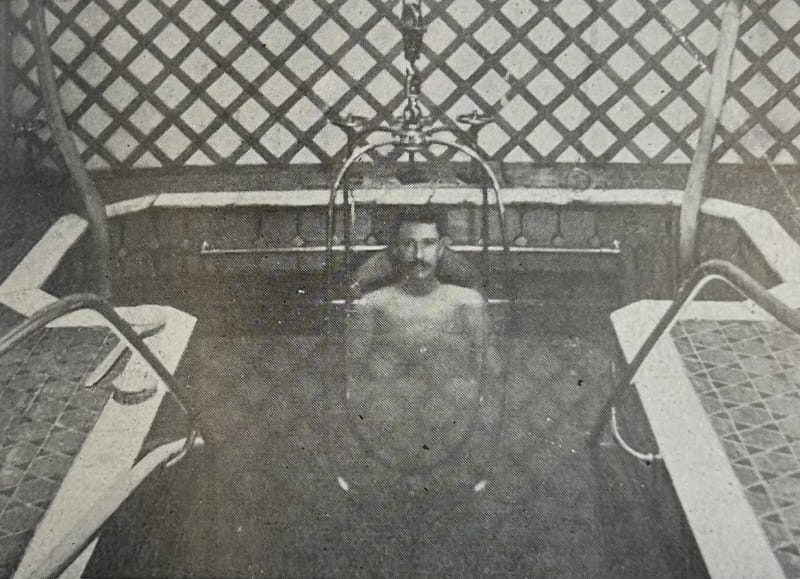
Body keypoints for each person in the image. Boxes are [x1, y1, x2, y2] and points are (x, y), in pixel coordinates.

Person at [343, 207, 497, 483]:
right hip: (389, 415)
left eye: (427, 244)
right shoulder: (374, 304)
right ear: (396, 250)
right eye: (408, 244)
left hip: (450, 416)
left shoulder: (465, 301)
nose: (418, 256)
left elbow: (490, 369)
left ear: (441, 249)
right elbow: (351, 373)